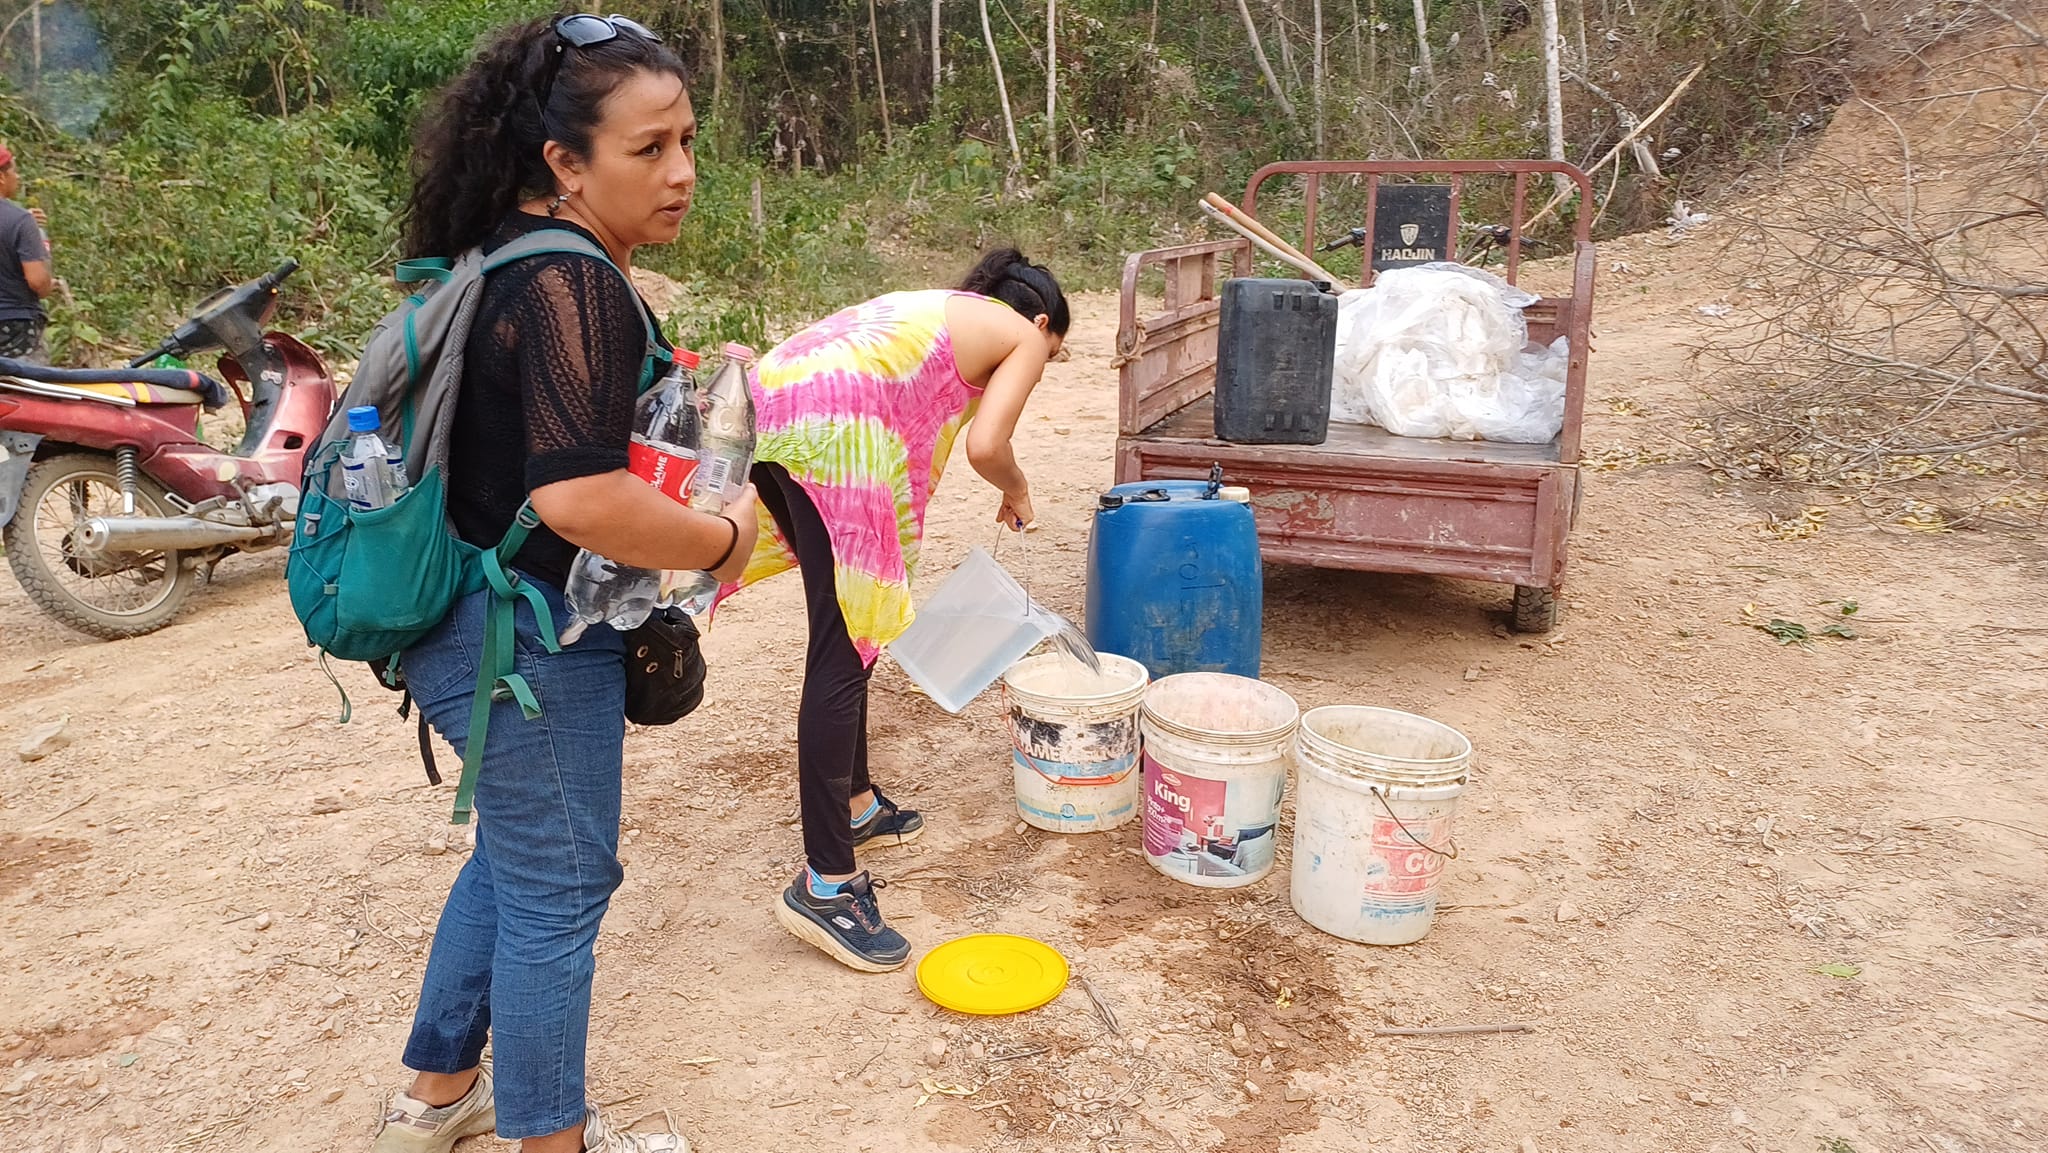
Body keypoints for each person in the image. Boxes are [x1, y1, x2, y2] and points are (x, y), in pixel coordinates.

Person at [371, 14, 755, 1153]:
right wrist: (725, 540)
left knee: (522, 858)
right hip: (525, 642)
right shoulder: (572, 285)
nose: (681, 172)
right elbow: (579, 498)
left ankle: (435, 1097)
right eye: (647, 149)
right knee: (561, 887)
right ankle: (552, 1140)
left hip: (473, 620)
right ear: (564, 162)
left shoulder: (508, 253)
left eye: (688, 139)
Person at [725, 250, 1070, 973]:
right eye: (1054, 352)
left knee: (848, 628)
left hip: (777, 403)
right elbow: (987, 443)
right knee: (844, 647)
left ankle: (855, 805)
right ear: (1042, 322)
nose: (1043, 362)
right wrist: (1020, 491)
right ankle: (826, 883)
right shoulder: (1024, 334)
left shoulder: (935, 309)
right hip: (836, 426)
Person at [0, 143, 53, 362]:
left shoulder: (21, 219)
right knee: (24, 390)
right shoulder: (20, 220)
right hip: (15, 326)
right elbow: (37, 281)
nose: (18, 176)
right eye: (14, 170)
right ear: (1, 177)